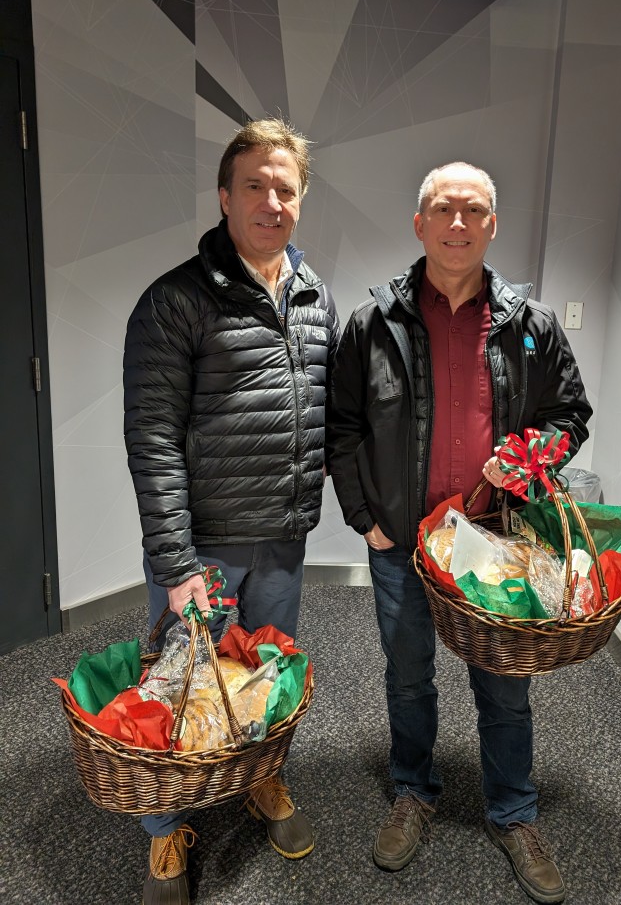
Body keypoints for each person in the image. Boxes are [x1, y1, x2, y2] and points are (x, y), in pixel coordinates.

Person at [327, 161, 592, 904]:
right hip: (405, 544)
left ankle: (514, 812)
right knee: (408, 678)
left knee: (505, 690)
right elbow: (341, 428)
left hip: (496, 545)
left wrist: (536, 459)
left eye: (473, 211)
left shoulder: (529, 326)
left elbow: (570, 416)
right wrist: (366, 521)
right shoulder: (371, 324)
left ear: (492, 226)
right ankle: (414, 790)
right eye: (444, 209)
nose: (457, 223)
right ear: (419, 223)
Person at [123, 117, 339, 905]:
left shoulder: (316, 297)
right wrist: (176, 564)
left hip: (283, 539)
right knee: (180, 690)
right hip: (204, 549)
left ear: (301, 200)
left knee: (265, 676)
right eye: (255, 184)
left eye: (286, 187)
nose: (271, 200)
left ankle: (261, 780)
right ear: (224, 195)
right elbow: (151, 440)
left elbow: (328, 417)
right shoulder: (175, 300)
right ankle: (166, 830)